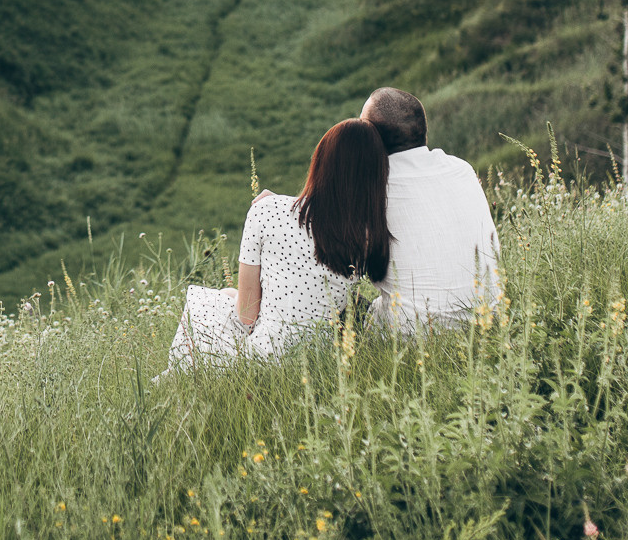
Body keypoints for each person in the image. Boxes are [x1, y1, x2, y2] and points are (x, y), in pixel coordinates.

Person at [165, 119, 391, 371]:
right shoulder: (370, 236)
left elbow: (247, 317)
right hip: (321, 364)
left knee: (217, 299)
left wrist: (280, 205)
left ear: (320, 163)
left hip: (263, 360)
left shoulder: (266, 210)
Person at [357, 86, 499, 329]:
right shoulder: (461, 169)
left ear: (372, 140)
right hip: (487, 321)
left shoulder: (373, 189)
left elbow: (344, 266)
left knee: (333, 295)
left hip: (412, 336)